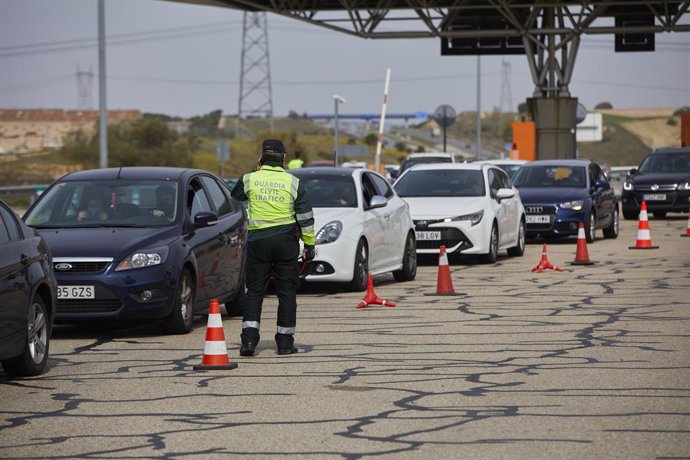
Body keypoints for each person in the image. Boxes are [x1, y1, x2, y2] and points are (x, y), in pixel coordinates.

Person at [231, 139, 315, 356]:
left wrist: (256, 170)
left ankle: (249, 342)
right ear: (284, 158)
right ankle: (285, 344)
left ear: (261, 158)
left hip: (259, 243)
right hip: (285, 242)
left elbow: (236, 195)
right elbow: (306, 218)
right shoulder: (293, 182)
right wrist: (309, 245)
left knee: (255, 293)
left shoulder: (250, 179)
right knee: (286, 293)